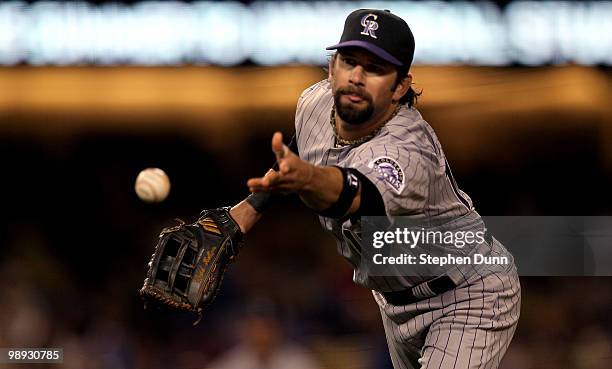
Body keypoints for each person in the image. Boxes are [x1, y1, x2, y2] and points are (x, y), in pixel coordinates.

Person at [228, 9, 520, 369]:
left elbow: (358, 194)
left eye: (376, 69)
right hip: (394, 302)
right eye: (349, 61)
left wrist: (309, 179)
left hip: (467, 292)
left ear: (400, 86)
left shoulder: (408, 148)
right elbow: (301, 148)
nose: (357, 77)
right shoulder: (315, 103)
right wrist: (245, 212)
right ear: (332, 66)